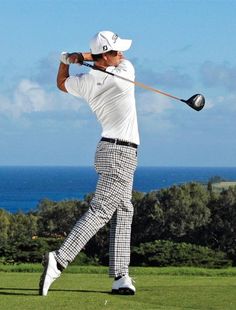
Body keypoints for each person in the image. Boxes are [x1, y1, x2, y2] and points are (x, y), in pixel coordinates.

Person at [39, 30, 140, 296]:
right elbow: (113, 60)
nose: (122, 54)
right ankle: (59, 260)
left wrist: (66, 60)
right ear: (106, 55)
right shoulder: (125, 73)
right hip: (120, 152)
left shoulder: (84, 82)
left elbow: (61, 83)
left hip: (110, 148)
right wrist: (79, 56)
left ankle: (120, 276)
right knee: (102, 210)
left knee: (124, 209)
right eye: (117, 51)